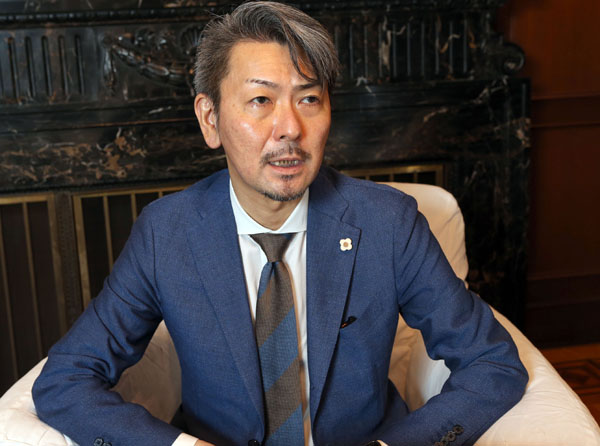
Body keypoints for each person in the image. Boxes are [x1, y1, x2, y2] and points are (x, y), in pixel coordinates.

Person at [32, 2, 528, 446]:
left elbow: (492, 363)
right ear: (210, 118)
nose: (290, 128)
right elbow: (66, 380)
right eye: (261, 101)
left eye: (309, 99)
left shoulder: (387, 224)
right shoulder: (167, 233)